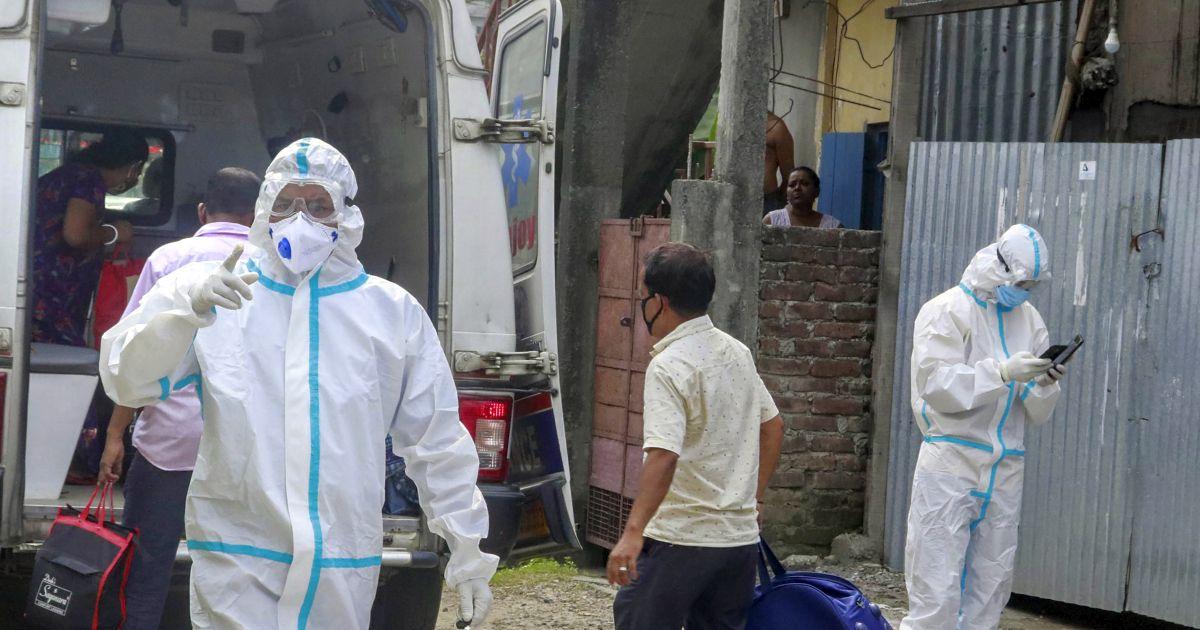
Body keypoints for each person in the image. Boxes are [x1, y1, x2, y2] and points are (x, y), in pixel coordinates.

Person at [99, 139, 496, 629]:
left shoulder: (390, 314)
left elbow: (435, 440)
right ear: (264, 207)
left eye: (318, 205)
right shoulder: (217, 295)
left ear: (346, 214)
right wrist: (182, 311)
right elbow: (128, 381)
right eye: (285, 203)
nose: (300, 219)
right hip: (240, 555)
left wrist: (467, 547)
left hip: (340, 560)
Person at [97, 167, 261, 630]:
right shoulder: (275, 268)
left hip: (166, 446)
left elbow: (133, 355)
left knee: (145, 570)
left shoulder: (168, 259)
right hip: (244, 454)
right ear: (257, 215)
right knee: (242, 578)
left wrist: (115, 436)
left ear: (202, 211)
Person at [608, 242, 785, 630]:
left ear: (660, 302)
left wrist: (632, 534)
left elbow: (664, 455)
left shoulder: (669, 366)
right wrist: (755, 498)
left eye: (642, 297)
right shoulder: (737, 352)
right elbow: (773, 426)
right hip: (738, 544)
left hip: (680, 539)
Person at [900, 224, 1065, 630]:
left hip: (1006, 464)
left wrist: (1044, 383)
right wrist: (1002, 372)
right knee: (936, 580)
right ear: (998, 266)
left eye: (1032, 285)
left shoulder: (1029, 319)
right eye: (1020, 283)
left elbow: (1035, 411)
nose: (1025, 292)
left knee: (992, 581)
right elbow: (937, 385)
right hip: (952, 458)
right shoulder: (946, 311)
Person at [32, 129, 146, 346]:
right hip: (49, 290)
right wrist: (114, 232)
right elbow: (75, 235)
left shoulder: (73, 173)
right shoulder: (89, 181)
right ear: (134, 166)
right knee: (58, 353)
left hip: (38, 284)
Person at [763, 166, 842, 229]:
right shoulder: (772, 221)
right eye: (792, 185)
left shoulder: (832, 226)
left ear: (817, 191)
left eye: (804, 184)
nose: (797, 188)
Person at [763, 112, 795, 214]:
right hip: (734, 195)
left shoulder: (776, 127)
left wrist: (779, 200)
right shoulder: (733, 123)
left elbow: (788, 175)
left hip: (767, 200)